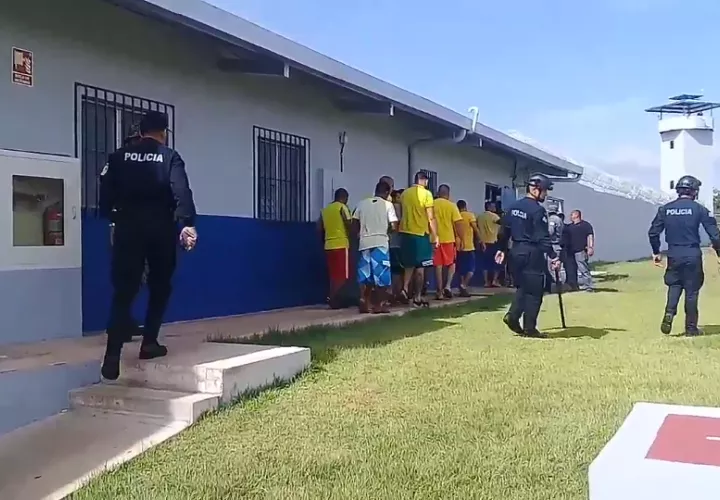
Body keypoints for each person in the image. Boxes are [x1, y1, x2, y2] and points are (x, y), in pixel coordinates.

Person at [98, 111, 197, 380]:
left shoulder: (118, 157)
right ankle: (149, 342)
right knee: (160, 285)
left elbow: (105, 193)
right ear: (163, 133)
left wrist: (114, 214)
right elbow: (181, 191)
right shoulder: (170, 157)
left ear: (140, 132)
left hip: (128, 229)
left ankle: (112, 355)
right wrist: (187, 223)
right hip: (160, 230)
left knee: (124, 290)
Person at [648, 175, 720, 336]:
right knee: (692, 291)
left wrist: (656, 251)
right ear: (694, 191)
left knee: (674, 285)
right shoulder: (700, 209)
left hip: (674, 254)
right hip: (692, 254)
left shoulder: (665, 209)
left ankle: (669, 312)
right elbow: (715, 235)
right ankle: (691, 328)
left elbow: (653, 233)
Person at [495, 173, 560, 338]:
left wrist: (501, 249)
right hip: (532, 253)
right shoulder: (538, 210)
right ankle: (528, 327)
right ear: (536, 190)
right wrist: (553, 256)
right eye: (545, 191)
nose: (546, 194)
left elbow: (503, 231)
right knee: (535, 292)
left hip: (515, 252)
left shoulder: (513, 207)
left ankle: (513, 316)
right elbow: (542, 237)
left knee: (523, 287)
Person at [352, 181, 398, 313]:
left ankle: (364, 300)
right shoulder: (387, 205)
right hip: (380, 243)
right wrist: (386, 232)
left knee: (365, 275)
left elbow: (354, 223)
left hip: (364, 243)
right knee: (381, 276)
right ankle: (380, 305)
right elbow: (394, 225)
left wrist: (359, 235)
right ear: (387, 192)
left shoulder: (361, 204)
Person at [399, 171, 438, 307]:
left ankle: (404, 288)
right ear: (424, 180)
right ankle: (417, 296)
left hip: (405, 232)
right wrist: (435, 235)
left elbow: (401, 212)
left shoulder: (404, 194)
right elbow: (430, 217)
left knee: (408, 264)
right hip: (421, 233)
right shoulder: (427, 194)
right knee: (421, 267)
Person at [319, 188, 352, 306]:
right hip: (341, 244)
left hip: (328, 245)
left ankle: (333, 298)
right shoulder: (342, 207)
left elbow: (319, 228)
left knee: (333, 275)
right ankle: (333, 298)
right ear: (344, 198)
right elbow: (349, 223)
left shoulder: (325, 210)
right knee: (343, 276)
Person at [432, 184, 463, 300]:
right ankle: (448, 286)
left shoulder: (432, 204)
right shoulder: (451, 205)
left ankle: (439, 291)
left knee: (438, 265)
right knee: (451, 263)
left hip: (434, 239)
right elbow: (458, 223)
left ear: (438, 193)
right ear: (448, 194)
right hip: (449, 239)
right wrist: (461, 237)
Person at [563, 210, 595, 292]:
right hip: (570, 252)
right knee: (571, 270)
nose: (570, 217)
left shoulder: (585, 225)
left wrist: (590, 247)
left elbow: (590, 236)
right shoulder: (569, 227)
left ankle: (589, 286)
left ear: (577, 215)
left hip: (581, 250)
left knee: (583, 268)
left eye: (571, 215)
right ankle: (573, 286)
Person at [456, 199, 481, 297]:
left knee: (461, 269)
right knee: (471, 268)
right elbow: (475, 229)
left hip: (458, 246)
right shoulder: (470, 215)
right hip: (469, 246)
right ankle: (464, 285)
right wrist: (480, 240)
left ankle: (462, 286)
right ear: (465, 206)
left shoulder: (456, 216)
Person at [477, 202, 502, 287]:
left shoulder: (480, 217)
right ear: (489, 207)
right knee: (497, 262)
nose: (495, 208)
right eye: (493, 206)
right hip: (493, 242)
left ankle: (486, 281)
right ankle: (494, 280)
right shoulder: (494, 216)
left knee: (485, 263)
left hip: (483, 243)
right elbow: (502, 224)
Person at [389, 189, 404, 301]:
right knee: (397, 270)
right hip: (396, 243)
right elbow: (396, 225)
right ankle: (395, 293)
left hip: (390, 243)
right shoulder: (396, 207)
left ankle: (394, 292)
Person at [546, 211, 566, 291]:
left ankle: (558, 287)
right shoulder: (559, 220)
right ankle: (558, 286)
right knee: (556, 267)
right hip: (558, 245)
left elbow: (550, 232)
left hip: (553, 245)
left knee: (552, 268)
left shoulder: (552, 219)